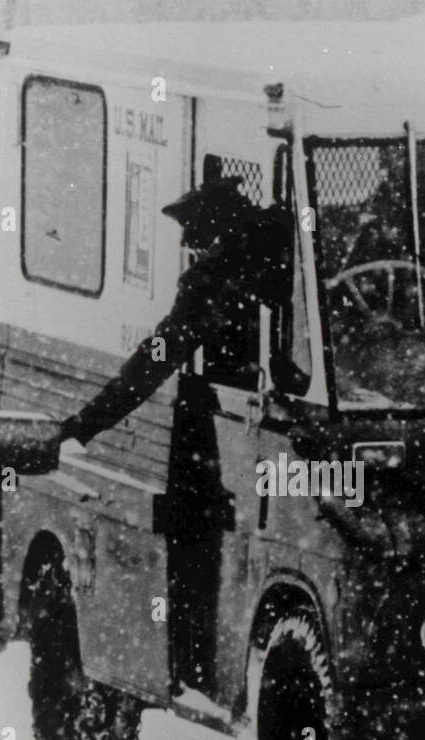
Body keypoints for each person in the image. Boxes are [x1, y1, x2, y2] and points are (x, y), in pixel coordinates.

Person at [59, 175, 294, 696]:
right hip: (285, 433)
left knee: (191, 536)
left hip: (230, 443)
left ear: (211, 224)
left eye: (192, 230)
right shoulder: (289, 236)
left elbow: (154, 361)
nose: (189, 244)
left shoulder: (208, 280)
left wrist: (85, 424)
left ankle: (196, 662)